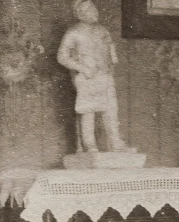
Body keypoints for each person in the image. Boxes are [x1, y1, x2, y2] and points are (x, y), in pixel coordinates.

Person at [57, 0, 133, 153]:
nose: (94, 11)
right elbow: (62, 56)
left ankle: (115, 141)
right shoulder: (73, 33)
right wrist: (82, 68)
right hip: (86, 76)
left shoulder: (102, 31)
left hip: (105, 74)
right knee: (88, 109)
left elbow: (111, 50)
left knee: (111, 108)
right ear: (79, 13)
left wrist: (111, 65)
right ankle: (89, 144)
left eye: (94, 8)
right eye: (88, 9)